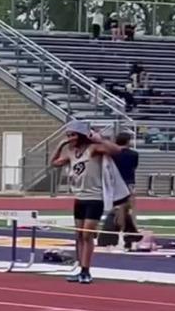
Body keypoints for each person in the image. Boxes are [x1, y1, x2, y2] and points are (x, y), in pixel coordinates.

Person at [49, 121, 128, 284]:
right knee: (79, 234)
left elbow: (116, 151)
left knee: (87, 234)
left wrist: (100, 139)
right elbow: (53, 163)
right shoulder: (71, 152)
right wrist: (60, 145)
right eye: (68, 135)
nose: (70, 138)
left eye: (73, 135)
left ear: (81, 135)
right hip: (79, 198)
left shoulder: (93, 149)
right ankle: (81, 268)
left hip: (94, 198)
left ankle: (86, 270)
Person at [110, 131, 139, 249]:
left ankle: (120, 234)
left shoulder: (112, 154)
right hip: (129, 183)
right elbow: (134, 167)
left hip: (115, 183)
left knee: (119, 210)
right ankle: (130, 235)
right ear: (128, 141)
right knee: (130, 210)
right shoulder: (134, 154)